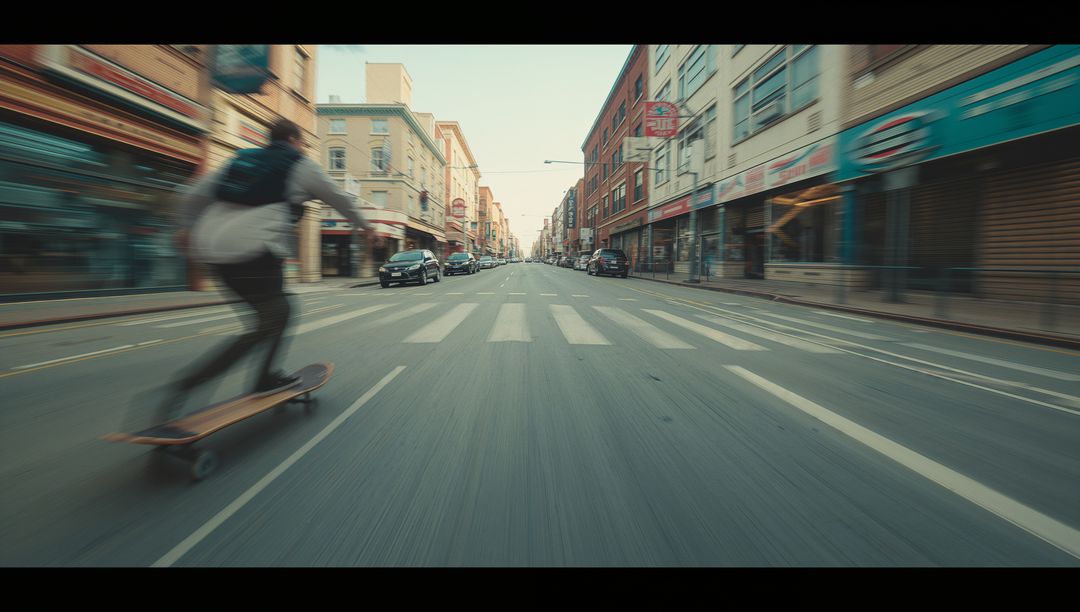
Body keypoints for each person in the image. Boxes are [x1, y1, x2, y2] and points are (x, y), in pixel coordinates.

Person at [160, 119, 372, 420]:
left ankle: (262, 376)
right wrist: (366, 226)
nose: (302, 147)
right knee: (275, 316)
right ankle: (194, 383)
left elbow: (192, 195)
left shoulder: (240, 160)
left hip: (213, 253)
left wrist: (184, 227)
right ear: (294, 140)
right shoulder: (299, 164)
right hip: (254, 252)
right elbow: (336, 197)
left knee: (271, 317)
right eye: (302, 143)